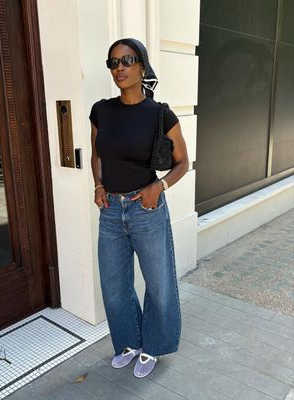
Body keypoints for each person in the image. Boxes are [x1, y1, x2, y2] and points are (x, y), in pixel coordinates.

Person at [89, 38, 189, 378]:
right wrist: (99, 185)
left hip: (146, 209)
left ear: (142, 66)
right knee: (114, 286)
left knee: (159, 284)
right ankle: (129, 343)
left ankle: (154, 347)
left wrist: (157, 187)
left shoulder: (160, 114)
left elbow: (182, 163)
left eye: (127, 60)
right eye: (113, 62)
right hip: (111, 213)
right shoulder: (100, 110)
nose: (119, 68)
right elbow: (97, 155)